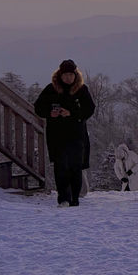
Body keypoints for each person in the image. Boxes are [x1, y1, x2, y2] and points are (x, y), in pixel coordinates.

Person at [34, 59, 95, 207]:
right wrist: (50, 113)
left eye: (70, 75)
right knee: (60, 167)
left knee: (76, 166)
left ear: (75, 75)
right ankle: (63, 198)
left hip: (77, 135)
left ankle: (75, 198)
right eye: (65, 75)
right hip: (57, 135)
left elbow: (89, 109)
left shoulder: (82, 90)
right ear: (60, 75)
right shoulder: (51, 89)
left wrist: (72, 114)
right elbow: (38, 107)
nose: (68, 78)